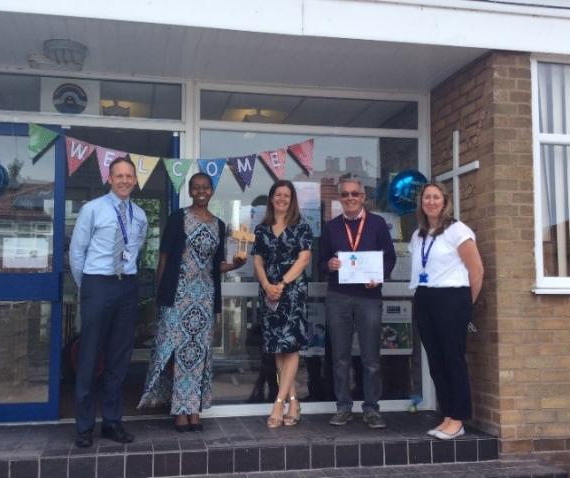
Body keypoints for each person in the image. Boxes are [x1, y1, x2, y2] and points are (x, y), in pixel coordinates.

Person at [137, 172, 245, 432]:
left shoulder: (219, 225)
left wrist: (235, 265)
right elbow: (164, 258)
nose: (201, 191)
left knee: (198, 354)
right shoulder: (178, 218)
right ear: (190, 191)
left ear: (212, 191)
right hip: (178, 296)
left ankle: (194, 409)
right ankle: (180, 410)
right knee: (177, 352)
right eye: (196, 187)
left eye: (205, 187)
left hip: (204, 297)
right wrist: (161, 295)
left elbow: (216, 265)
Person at [69, 157, 148, 448]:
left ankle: (112, 422)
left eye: (129, 176)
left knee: (119, 357)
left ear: (135, 180)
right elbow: (77, 252)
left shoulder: (140, 215)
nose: (124, 180)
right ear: (109, 179)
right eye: (119, 175)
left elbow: (136, 248)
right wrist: (88, 288)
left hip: (127, 285)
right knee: (90, 356)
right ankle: (84, 426)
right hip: (97, 283)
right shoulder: (92, 209)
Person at [408, 181, 483, 440]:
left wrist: (466, 306)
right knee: (436, 361)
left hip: (452, 298)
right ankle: (448, 415)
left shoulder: (457, 230)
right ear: (421, 203)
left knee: (453, 360)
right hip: (425, 297)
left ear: (445, 201)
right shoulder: (418, 235)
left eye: (436, 197)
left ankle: (458, 418)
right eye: (426, 197)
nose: (431, 202)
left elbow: (476, 270)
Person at [319, 177, 396, 428]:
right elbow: (320, 263)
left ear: (363, 197)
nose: (350, 198)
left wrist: (379, 277)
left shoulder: (377, 224)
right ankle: (343, 407)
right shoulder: (331, 227)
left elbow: (390, 258)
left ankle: (371, 408)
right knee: (339, 356)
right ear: (339, 199)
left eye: (354, 194)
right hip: (338, 297)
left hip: (368, 297)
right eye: (345, 194)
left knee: (371, 358)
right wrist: (329, 265)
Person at [252, 180, 312, 428]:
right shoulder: (262, 228)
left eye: (286, 195)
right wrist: (268, 285)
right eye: (278, 194)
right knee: (278, 348)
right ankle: (293, 401)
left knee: (291, 346)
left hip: (292, 292)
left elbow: (304, 258)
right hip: (270, 294)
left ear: (292, 199)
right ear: (271, 198)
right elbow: (257, 261)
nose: (282, 199)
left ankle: (279, 403)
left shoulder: (301, 226)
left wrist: (282, 283)